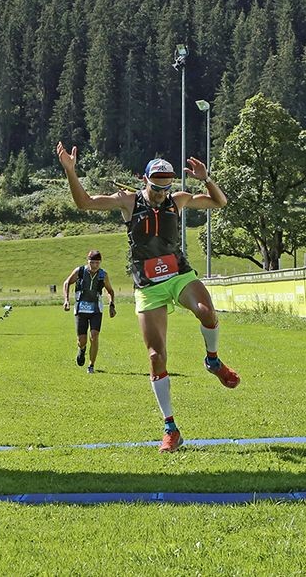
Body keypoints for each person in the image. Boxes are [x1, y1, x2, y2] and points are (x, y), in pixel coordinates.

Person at [56, 143, 239, 453]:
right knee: (156, 357)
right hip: (148, 285)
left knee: (206, 311)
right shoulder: (128, 201)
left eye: (166, 188)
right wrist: (71, 172)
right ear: (145, 181)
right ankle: (171, 429)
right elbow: (84, 203)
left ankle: (213, 360)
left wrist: (207, 179)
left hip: (179, 275)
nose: (161, 194)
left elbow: (219, 202)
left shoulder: (178, 200)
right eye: (156, 188)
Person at [62, 250, 116, 374]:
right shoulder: (80, 271)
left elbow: (110, 291)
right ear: (88, 261)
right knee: (82, 340)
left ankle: (91, 365)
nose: (94, 265)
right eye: (92, 262)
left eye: (97, 263)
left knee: (94, 336)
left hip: (96, 309)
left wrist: (111, 304)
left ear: (100, 262)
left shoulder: (103, 275)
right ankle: (82, 349)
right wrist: (66, 300)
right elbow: (66, 283)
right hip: (81, 309)